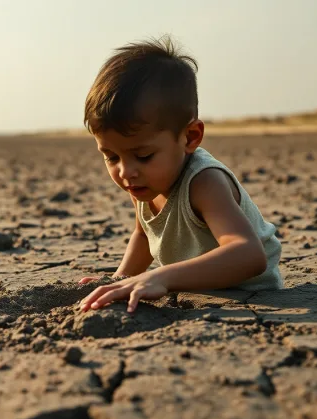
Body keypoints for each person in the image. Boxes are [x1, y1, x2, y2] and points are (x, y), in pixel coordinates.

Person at [78, 36, 282, 314]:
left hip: (254, 301)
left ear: (190, 137)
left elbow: (249, 255)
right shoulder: (144, 182)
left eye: (144, 155)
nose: (125, 171)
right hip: (200, 300)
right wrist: (119, 280)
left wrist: (160, 276)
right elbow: (143, 234)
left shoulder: (204, 182)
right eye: (112, 157)